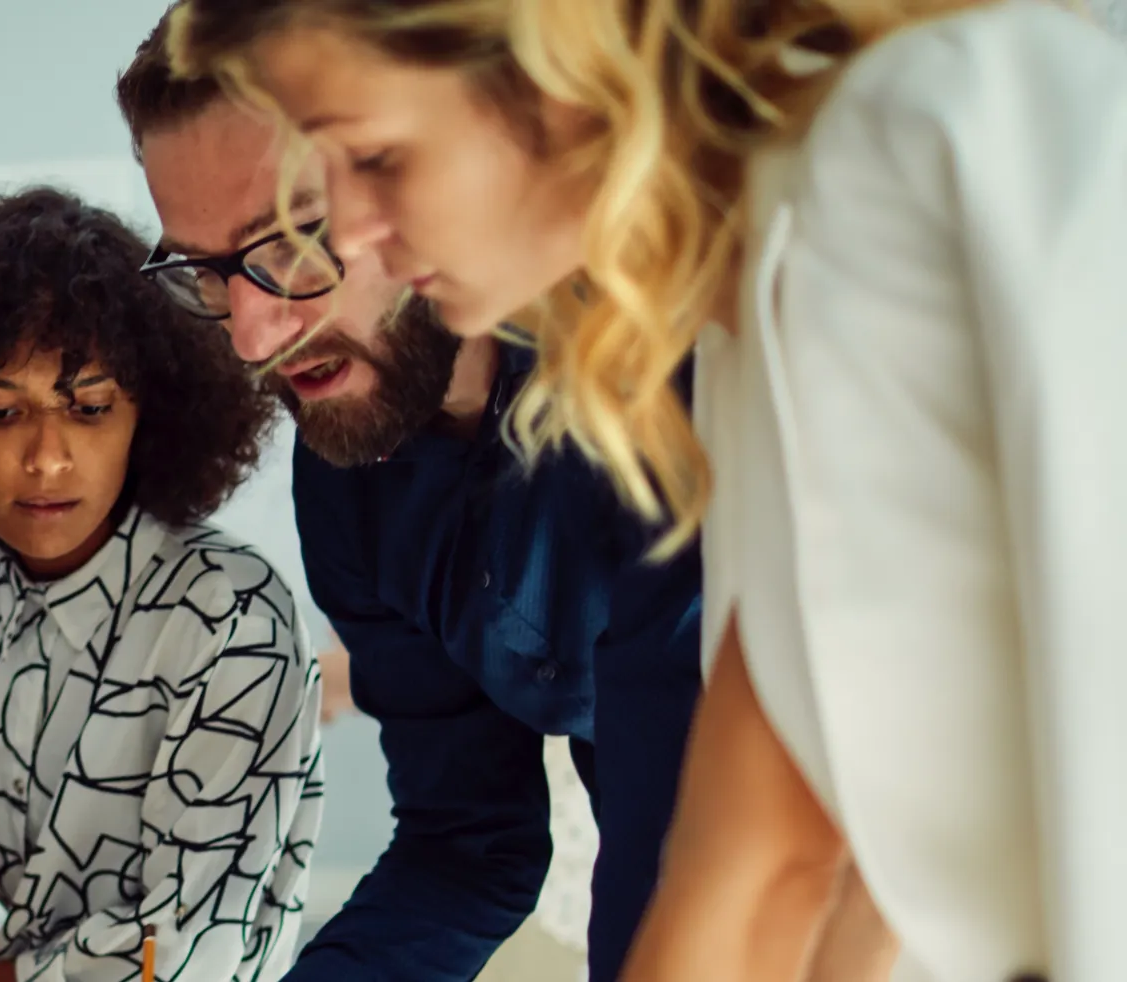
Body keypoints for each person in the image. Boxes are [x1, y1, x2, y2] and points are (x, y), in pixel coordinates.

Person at [167, 0, 1127, 980]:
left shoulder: (901, 153)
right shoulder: (739, 336)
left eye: (370, 161)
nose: (357, 233)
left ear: (548, 65)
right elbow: (771, 855)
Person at [111, 13, 708, 981]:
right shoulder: (349, 475)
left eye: (293, 241)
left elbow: (719, 825)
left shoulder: (667, 377)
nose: (254, 337)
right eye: (210, 273)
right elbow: (470, 846)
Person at [0, 187, 324, 982]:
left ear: (147, 415)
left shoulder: (229, 616)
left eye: (87, 409)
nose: (47, 459)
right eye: (0, 413)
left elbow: (179, 958)